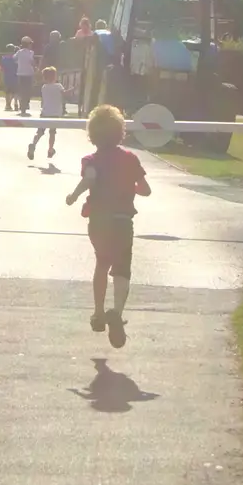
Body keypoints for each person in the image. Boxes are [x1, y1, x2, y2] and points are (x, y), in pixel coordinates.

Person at [65, 104, 151, 349]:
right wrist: (128, 187)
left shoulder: (91, 160)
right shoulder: (130, 159)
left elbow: (89, 178)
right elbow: (145, 190)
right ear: (119, 131)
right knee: (122, 268)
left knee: (102, 263)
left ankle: (98, 312)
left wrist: (74, 195)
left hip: (99, 221)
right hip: (123, 221)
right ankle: (117, 310)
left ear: (92, 134)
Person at [29, 65, 65, 162]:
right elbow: (64, 94)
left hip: (45, 112)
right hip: (55, 113)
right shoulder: (59, 86)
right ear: (54, 76)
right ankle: (50, 149)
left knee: (40, 131)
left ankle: (33, 144)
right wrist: (74, 89)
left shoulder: (44, 87)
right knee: (52, 133)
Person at [15, 36, 37, 116]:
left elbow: (14, 58)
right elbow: (32, 61)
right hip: (29, 73)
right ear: (28, 44)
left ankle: (22, 105)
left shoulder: (19, 52)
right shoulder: (31, 52)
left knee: (21, 90)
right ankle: (26, 103)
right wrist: (35, 67)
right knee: (28, 90)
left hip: (20, 73)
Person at [0, 43, 19, 113]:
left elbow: (2, 68)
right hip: (15, 76)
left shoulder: (4, 58)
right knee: (15, 91)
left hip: (7, 76)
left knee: (8, 92)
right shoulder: (16, 58)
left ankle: (8, 104)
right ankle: (16, 102)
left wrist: (2, 76)